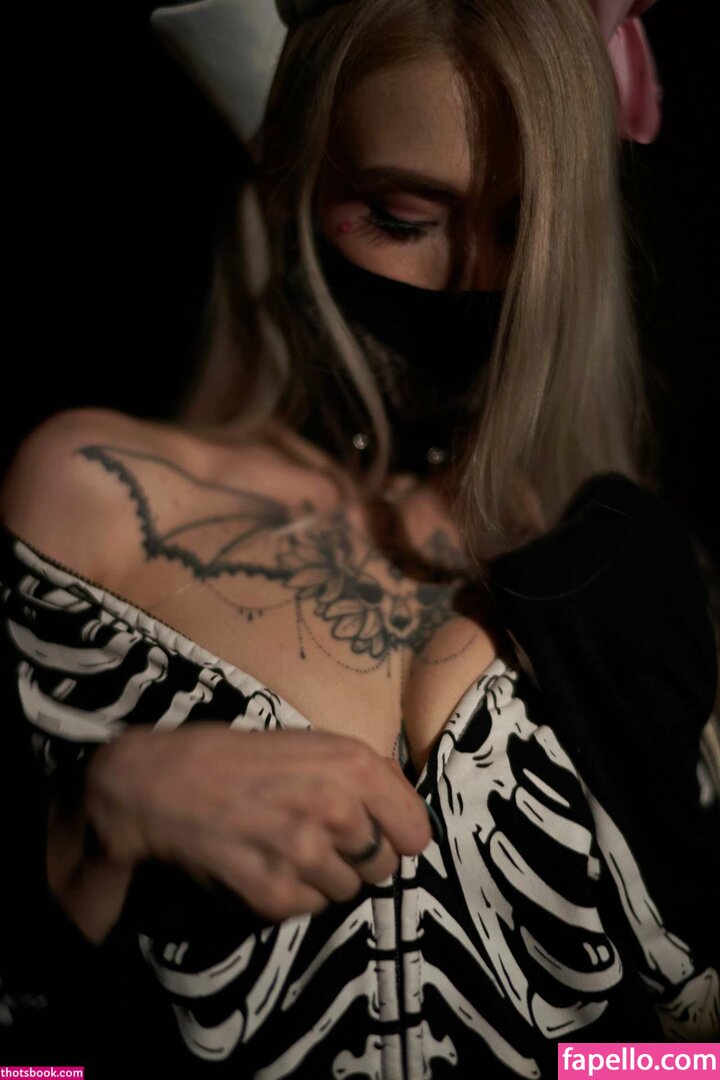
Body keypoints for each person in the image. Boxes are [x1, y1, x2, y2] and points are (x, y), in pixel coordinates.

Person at [0, 0, 718, 1075]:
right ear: (290, 176)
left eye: (521, 227)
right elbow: (29, 1059)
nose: (469, 279)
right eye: (398, 215)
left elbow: (693, 1053)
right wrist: (87, 834)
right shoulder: (98, 498)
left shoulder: (623, 566)